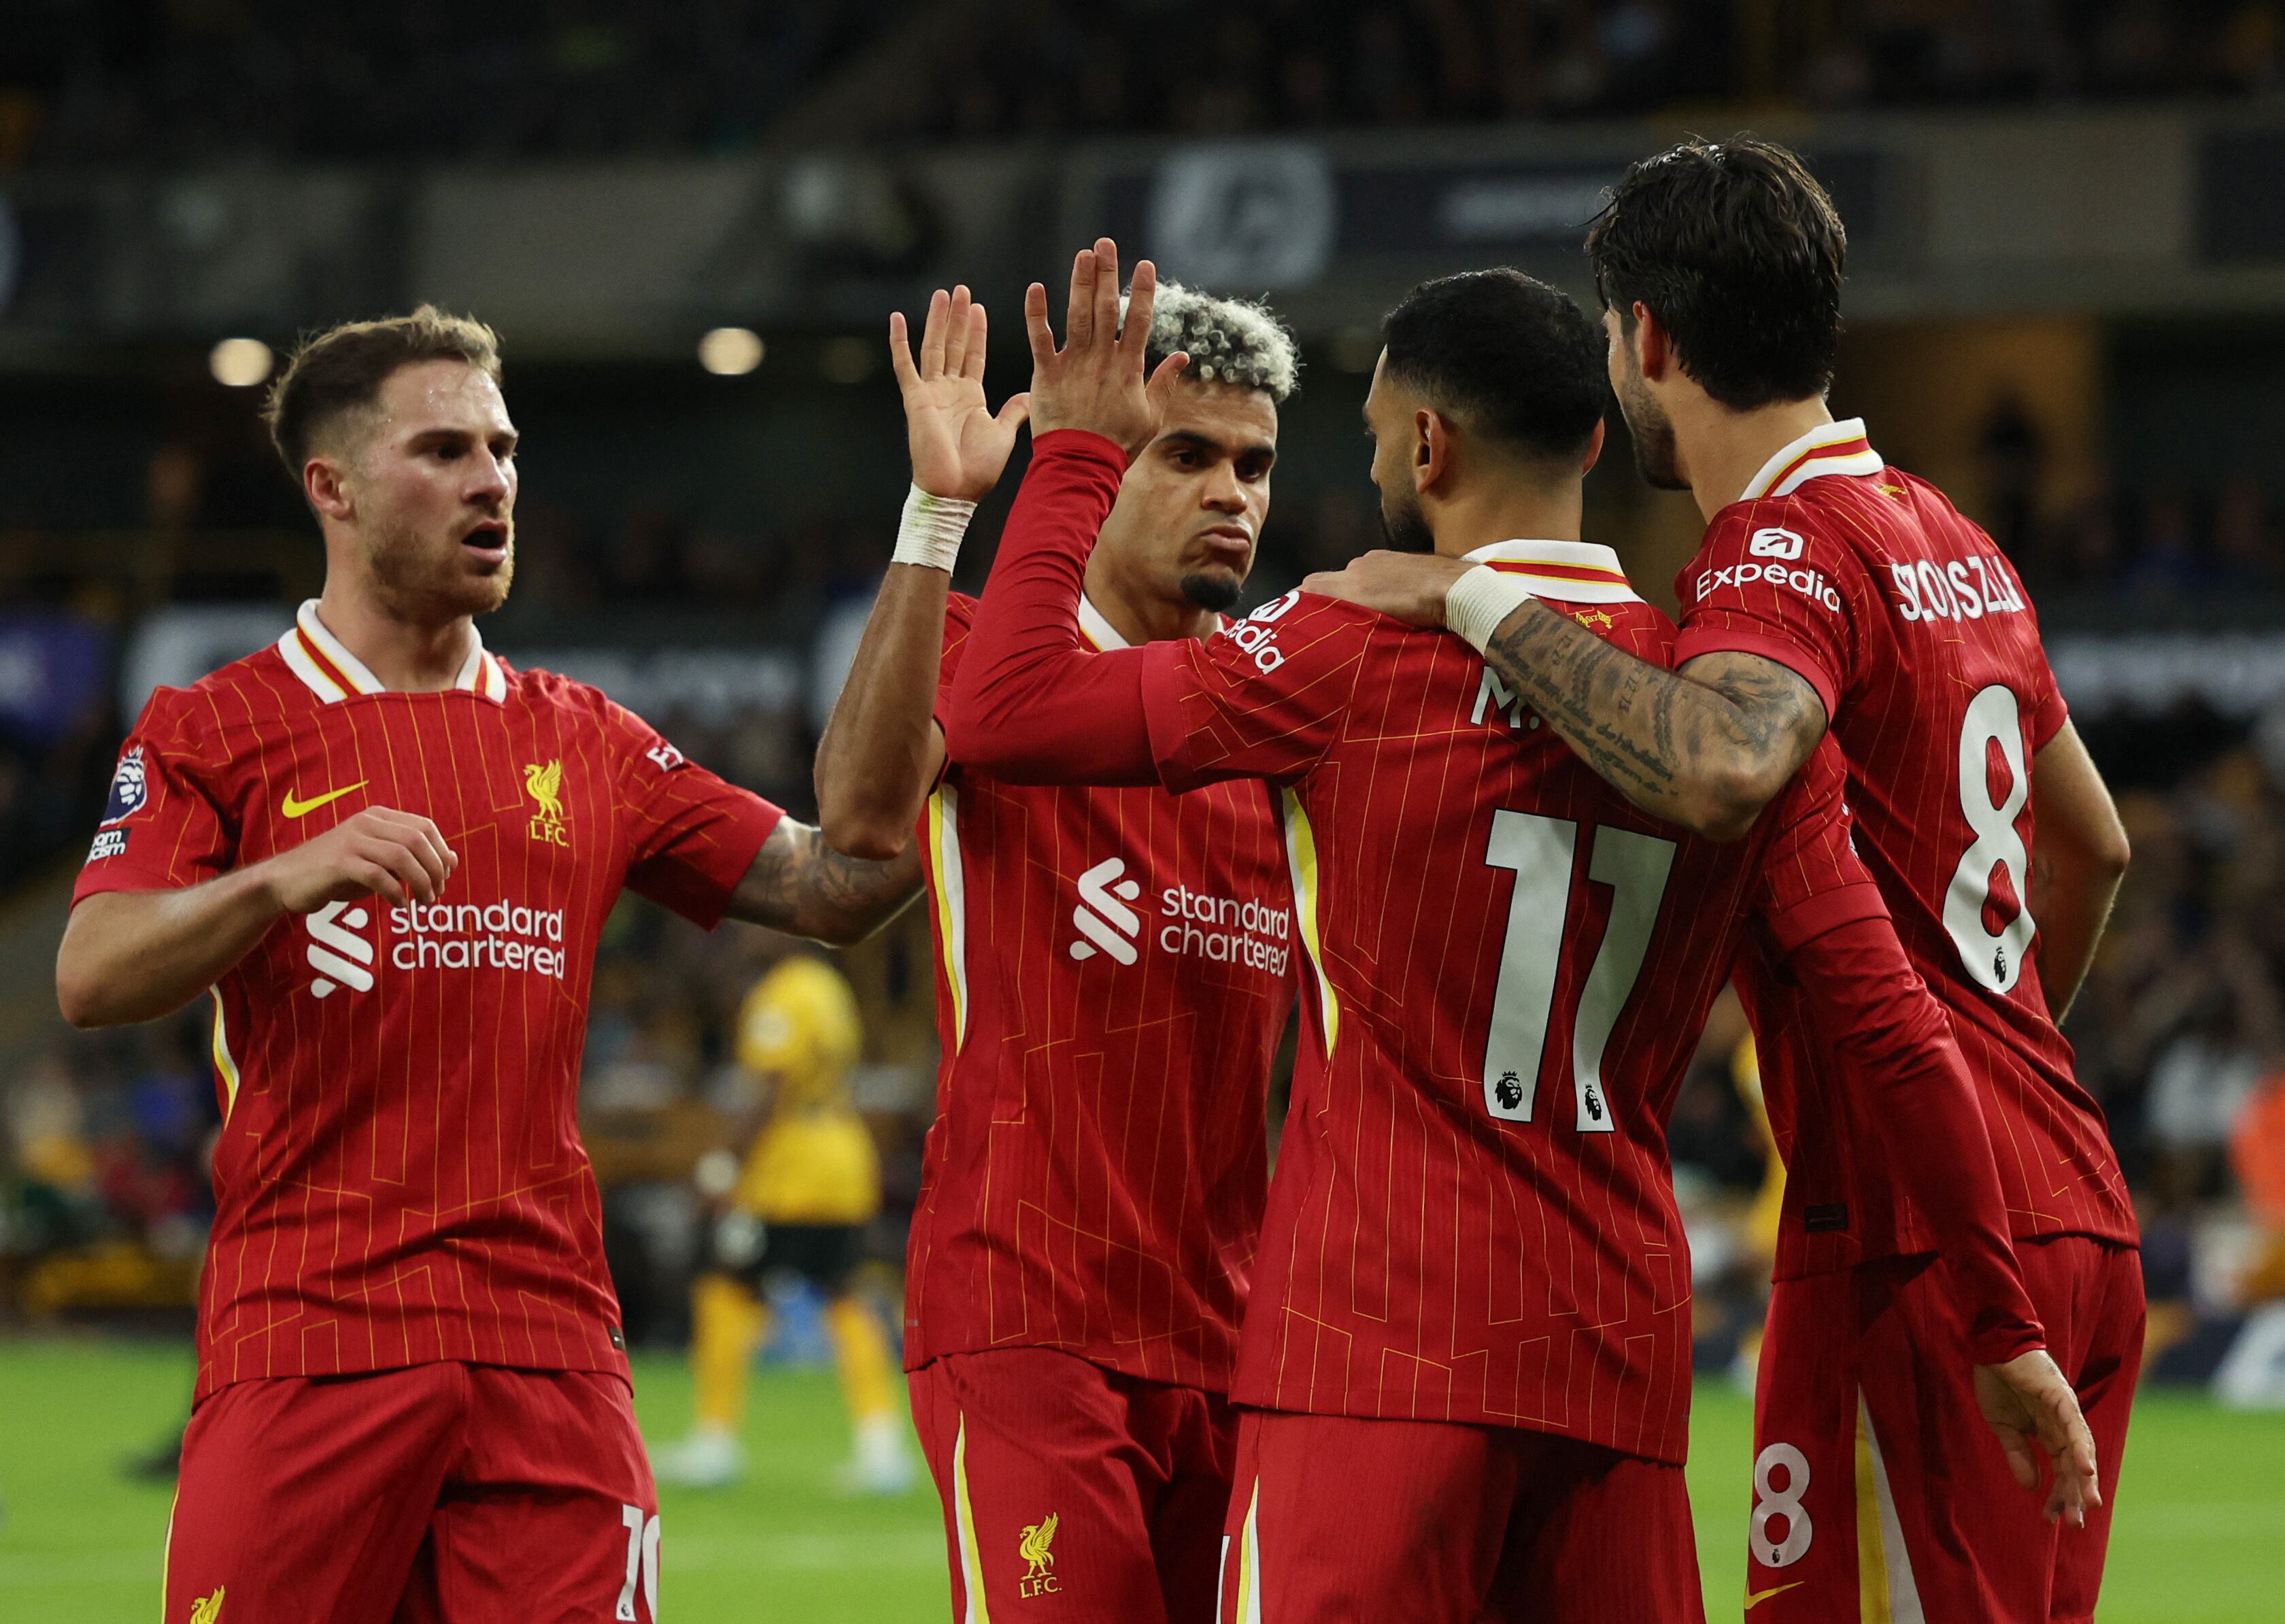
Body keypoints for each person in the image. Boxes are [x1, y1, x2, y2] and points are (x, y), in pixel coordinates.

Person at [945, 241, 2095, 1624]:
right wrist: (2002, 1321)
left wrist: (1073, 457)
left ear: (1426, 444)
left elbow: (1005, 710)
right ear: (1600, 436)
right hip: (1616, 1374)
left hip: (1367, 1358)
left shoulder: (1349, 651)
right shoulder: (1721, 703)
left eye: (1377, 438)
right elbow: (1898, 1032)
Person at [1308, 137, 2143, 1624]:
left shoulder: (1781, 550)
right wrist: (2004, 1073)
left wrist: (1469, 590)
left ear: (1645, 340)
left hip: (1914, 1235)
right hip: (2068, 1200)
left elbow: (1720, 764)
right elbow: (2095, 845)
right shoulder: (1956, 541)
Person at [54, 307, 921, 1624]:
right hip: (310, 1341)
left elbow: (840, 884)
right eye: (446, 449)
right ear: (331, 489)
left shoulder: (589, 740)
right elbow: (94, 970)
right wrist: (290, 872)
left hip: (549, 1357)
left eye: (504, 450)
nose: (494, 481)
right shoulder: (215, 728)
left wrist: (938, 535)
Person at [811, 277, 1300, 1623]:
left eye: (1253, 463)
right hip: (1028, 1311)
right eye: (1184, 454)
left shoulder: (1276, 718)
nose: (1231, 494)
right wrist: (940, 514)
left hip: (1234, 1338)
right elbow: (856, 820)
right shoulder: (981, 658)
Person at [652, 951, 913, 1495]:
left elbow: (771, 1088)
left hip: (792, 1171)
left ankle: (715, 1440)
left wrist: (723, 1165)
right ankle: (882, 1444)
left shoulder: (781, 994)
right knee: (846, 1295)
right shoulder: (829, 986)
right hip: (845, 1159)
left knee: (726, 1287)